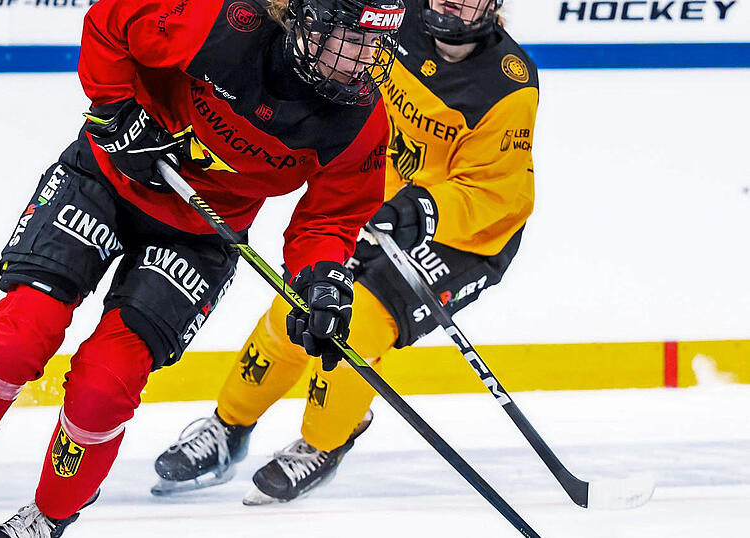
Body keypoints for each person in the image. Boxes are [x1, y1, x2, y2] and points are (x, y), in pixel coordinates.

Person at [0, 0, 406, 536]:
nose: (364, 59)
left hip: (198, 236)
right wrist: (116, 111)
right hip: (103, 181)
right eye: (350, 38)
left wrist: (321, 281)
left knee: (106, 383)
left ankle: (46, 517)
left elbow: (329, 222)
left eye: (376, 43)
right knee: (17, 336)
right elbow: (109, 21)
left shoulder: (360, 123)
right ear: (306, 21)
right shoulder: (219, 20)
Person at [153, 0, 538, 505]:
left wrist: (421, 207)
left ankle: (324, 443)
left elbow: (500, 194)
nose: (450, 2)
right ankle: (228, 427)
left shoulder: (509, 84)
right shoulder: (394, 21)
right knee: (299, 309)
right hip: (381, 207)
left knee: (357, 327)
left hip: (462, 237)